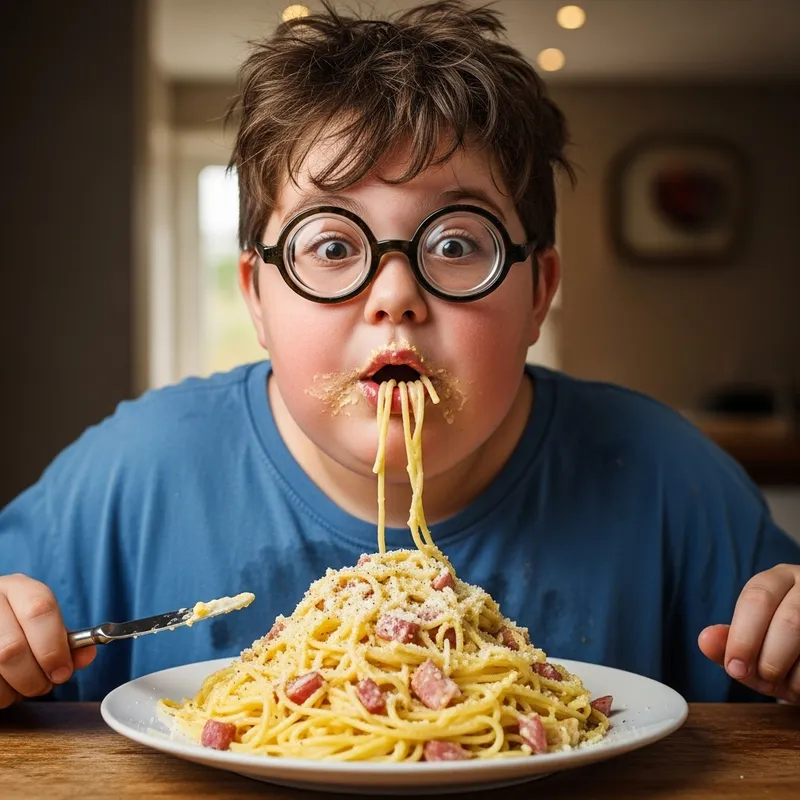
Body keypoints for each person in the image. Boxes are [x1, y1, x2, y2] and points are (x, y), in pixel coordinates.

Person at [1, 0, 798, 710]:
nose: (394, 294)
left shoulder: (670, 483)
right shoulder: (134, 478)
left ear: (538, 292)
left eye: (455, 243)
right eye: (332, 244)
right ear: (255, 296)